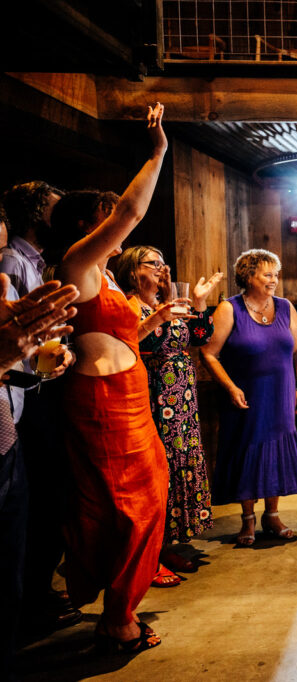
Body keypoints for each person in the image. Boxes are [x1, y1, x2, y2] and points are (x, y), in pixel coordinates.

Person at [53, 104, 170, 652]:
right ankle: (116, 617)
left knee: (150, 500)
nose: (119, 228)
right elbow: (128, 211)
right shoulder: (77, 263)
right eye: (107, 218)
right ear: (87, 225)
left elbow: (122, 337)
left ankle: (123, 605)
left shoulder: (106, 280)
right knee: (123, 507)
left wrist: (156, 321)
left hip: (130, 400)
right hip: (102, 405)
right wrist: (157, 153)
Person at [113, 246, 224, 582]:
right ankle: (148, 558)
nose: (162, 269)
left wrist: (202, 303)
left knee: (177, 469)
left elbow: (201, 336)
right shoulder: (131, 305)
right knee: (157, 474)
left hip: (181, 398)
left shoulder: (164, 303)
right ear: (134, 270)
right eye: (153, 264)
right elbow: (133, 343)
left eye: (164, 264)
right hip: (154, 393)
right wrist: (160, 316)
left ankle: (163, 546)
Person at [1, 181, 82, 634]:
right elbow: (15, 338)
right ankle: (32, 601)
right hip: (21, 398)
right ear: (36, 213)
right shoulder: (12, 262)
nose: (63, 216)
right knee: (38, 502)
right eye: (56, 208)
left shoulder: (35, 262)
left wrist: (59, 350)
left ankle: (36, 596)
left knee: (47, 498)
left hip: (36, 388)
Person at [200, 249, 297, 546]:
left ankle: (272, 514)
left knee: (276, 449)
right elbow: (209, 353)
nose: (274, 280)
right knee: (247, 449)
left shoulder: (285, 307)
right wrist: (230, 386)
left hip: (281, 393)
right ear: (248, 276)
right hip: (247, 396)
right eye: (267, 274)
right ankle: (248, 518)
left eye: (275, 275)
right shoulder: (229, 309)